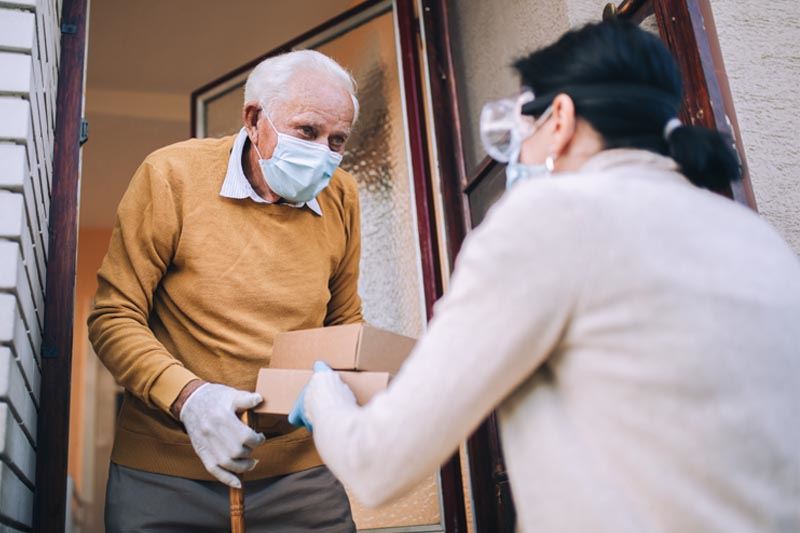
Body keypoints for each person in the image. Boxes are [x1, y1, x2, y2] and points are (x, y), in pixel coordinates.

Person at [288, 20, 800, 532]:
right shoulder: (752, 235)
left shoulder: (549, 217)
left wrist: (321, 396)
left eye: (522, 131)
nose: (518, 154)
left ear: (560, 119)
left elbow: (377, 463)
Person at [89, 50, 362, 532]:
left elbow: (344, 324)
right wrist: (191, 399)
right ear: (254, 119)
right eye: (307, 131)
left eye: (337, 140)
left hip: (301, 474)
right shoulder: (172, 174)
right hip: (165, 472)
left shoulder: (342, 195)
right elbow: (113, 317)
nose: (323, 152)